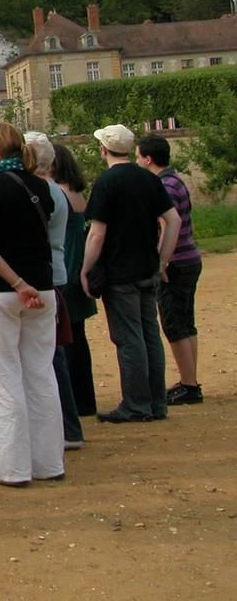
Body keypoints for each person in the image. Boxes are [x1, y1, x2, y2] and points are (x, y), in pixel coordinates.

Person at [0, 123, 63, 487]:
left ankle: (13, 467)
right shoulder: (41, 187)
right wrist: (28, 283)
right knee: (41, 374)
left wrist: (17, 284)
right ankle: (49, 462)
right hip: (44, 287)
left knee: (4, 377)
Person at [81, 124, 180, 424]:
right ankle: (156, 402)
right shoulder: (148, 179)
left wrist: (85, 269)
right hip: (147, 267)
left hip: (120, 271)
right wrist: (162, 261)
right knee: (150, 333)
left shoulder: (107, 182)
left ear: (103, 150)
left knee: (129, 338)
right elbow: (172, 220)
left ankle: (136, 404)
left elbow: (97, 233)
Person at [24, 133, 84, 451]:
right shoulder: (55, 190)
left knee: (51, 356)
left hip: (48, 276)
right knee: (52, 354)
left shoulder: (44, 191)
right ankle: (67, 427)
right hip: (53, 273)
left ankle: (67, 428)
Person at [136, 134, 204, 406]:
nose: (137, 160)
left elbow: (167, 225)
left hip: (175, 262)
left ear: (148, 159)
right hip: (189, 257)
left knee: (174, 323)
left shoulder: (162, 186)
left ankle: (189, 384)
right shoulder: (176, 180)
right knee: (186, 321)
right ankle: (190, 379)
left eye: (139, 156)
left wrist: (162, 261)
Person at [52, 144, 97, 416]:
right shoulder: (77, 193)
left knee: (66, 343)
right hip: (78, 268)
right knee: (78, 340)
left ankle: (73, 401)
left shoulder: (59, 193)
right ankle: (85, 399)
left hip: (66, 270)